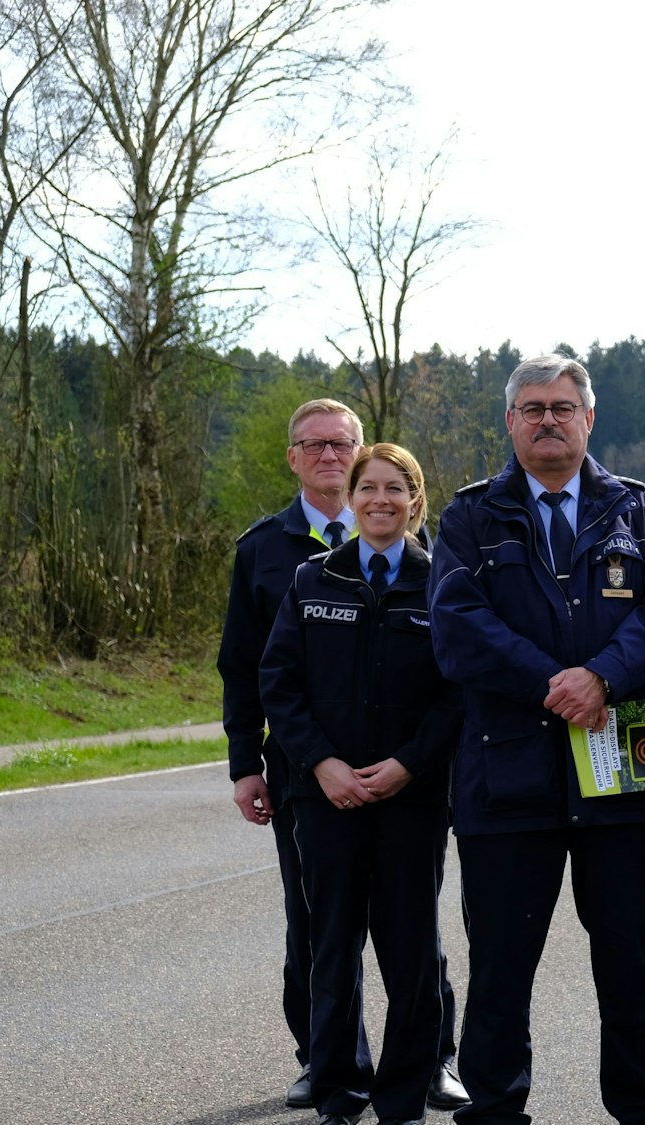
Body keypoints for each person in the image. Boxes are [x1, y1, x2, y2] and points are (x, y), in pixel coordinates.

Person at [427, 354, 645, 1125]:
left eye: (563, 406)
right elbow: (457, 629)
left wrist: (603, 677)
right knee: (502, 970)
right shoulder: (469, 516)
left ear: (588, 418)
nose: (549, 419)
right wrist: (560, 680)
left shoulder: (637, 510)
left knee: (629, 961)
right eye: (533, 407)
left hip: (624, 769)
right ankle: (494, 1109)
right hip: (506, 778)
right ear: (510, 422)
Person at [218, 400, 466, 1111]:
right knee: (326, 942)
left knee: (412, 946)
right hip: (318, 792)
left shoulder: (443, 581)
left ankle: (410, 1085)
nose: (377, 497)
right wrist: (314, 763)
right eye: (367, 486)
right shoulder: (303, 574)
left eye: (393, 487)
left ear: (415, 499)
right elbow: (268, 678)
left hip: (412, 795)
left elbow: (458, 692)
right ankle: (334, 1080)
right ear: (348, 495)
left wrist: (408, 765)